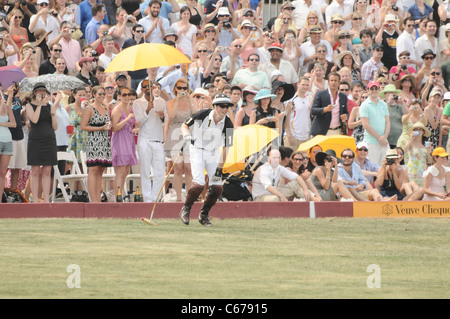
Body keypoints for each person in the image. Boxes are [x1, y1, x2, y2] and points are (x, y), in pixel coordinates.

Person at [179, 93, 235, 226]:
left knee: (217, 187)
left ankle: (203, 215)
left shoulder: (228, 124)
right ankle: (186, 209)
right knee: (199, 184)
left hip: (213, 153)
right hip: (197, 150)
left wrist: (220, 169)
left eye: (227, 107)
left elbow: (226, 148)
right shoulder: (202, 114)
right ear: (215, 106)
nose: (225, 109)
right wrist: (186, 135)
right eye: (222, 106)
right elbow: (184, 125)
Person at [133, 80, 166, 202]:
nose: (147, 88)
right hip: (144, 139)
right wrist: (147, 110)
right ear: (141, 89)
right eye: (145, 87)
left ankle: (155, 198)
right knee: (145, 171)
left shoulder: (161, 101)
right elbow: (138, 122)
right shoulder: (137, 103)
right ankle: (147, 199)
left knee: (160, 172)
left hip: (158, 139)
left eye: (150, 86)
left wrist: (163, 116)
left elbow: (166, 119)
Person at [164, 78, 197, 202]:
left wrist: (189, 101)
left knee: (188, 167)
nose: (182, 90)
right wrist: (178, 100)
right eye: (179, 88)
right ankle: (177, 198)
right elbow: (171, 116)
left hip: (188, 133)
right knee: (177, 167)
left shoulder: (191, 101)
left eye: (184, 88)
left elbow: (196, 115)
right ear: (175, 89)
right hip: (175, 134)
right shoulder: (171, 102)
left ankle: (189, 197)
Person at [25, 82, 57, 203]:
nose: (42, 93)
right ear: (35, 93)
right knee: (36, 170)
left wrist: (53, 114)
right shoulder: (29, 106)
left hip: (49, 139)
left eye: (43, 91)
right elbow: (34, 119)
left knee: (47, 170)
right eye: (39, 91)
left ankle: (47, 199)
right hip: (36, 140)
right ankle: (35, 199)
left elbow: (55, 127)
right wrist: (39, 104)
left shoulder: (49, 106)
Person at [80, 85, 112, 203]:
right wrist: (100, 128)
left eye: (103, 94)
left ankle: (98, 198)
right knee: (93, 169)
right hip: (94, 141)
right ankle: (93, 199)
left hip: (104, 140)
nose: (102, 96)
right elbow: (83, 126)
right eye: (99, 94)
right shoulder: (89, 108)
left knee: (100, 170)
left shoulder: (106, 107)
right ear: (94, 95)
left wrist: (108, 126)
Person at [111, 86, 138, 200]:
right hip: (119, 140)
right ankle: (117, 196)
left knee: (126, 170)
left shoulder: (130, 109)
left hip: (129, 139)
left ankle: (120, 194)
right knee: (120, 170)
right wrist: (127, 119)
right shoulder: (117, 109)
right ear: (119, 96)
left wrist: (136, 128)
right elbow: (114, 128)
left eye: (129, 94)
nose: (127, 97)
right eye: (124, 95)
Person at [360, 81, 390, 167]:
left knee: (385, 168)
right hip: (371, 142)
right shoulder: (364, 105)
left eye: (376, 88)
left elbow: (388, 122)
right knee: (373, 168)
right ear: (368, 90)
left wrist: (384, 137)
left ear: (379, 89)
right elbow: (365, 125)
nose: (374, 91)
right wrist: (379, 138)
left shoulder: (384, 105)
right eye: (371, 89)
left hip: (384, 141)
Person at [310, 72, 349, 137]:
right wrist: (324, 109)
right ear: (328, 82)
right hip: (323, 132)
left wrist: (346, 116)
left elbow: (346, 112)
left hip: (338, 131)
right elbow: (313, 110)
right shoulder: (320, 94)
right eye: (332, 80)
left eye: (335, 80)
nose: (333, 83)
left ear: (339, 82)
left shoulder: (343, 97)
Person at [284, 77, 312, 150]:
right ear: (298, 84)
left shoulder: (308, 99)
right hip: (293, 136)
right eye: (303, 84)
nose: (305, 87)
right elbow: (286, 118)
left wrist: (308, 135)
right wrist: (289, 135)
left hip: (305, 137)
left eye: (307, 85)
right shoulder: (291, 99)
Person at [379, 84, 408, 148]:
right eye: (389, 93)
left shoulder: (399, 106)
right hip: (387, 138)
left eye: (393, 93)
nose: (391, 95)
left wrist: (402, 103)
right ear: (385, 94)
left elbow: (407, 114)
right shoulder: (382, 105)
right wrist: (389, 102)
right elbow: (382, 115)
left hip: (398, 138)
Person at [0, 86, 16, 200]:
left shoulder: (7, 107)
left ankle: (0, 199)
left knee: (2, 173)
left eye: (2, 90)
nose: (1, 93)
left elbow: (14, 124)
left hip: (7, 141)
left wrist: (1, 123)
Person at [403, 121, 431, 187]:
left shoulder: (425, 145)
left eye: (420, 129)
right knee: (411, 189)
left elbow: (430, 161)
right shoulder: (410, 142)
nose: (418, 131)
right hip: (411, 170)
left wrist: (429, 151)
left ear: (423, 132)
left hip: (422, 171)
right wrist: (411, 139)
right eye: (416, 129)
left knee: (420, 191)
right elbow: (404, 152)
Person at [65, 87, 87, 166]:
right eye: (79, 95)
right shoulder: (69, 107)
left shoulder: (88, 108)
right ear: (74, 95)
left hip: (84, 137)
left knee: (83, 164)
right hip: (73, 137)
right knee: (70, 163)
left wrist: (84, 109)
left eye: (84, 95)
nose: (82, 97)